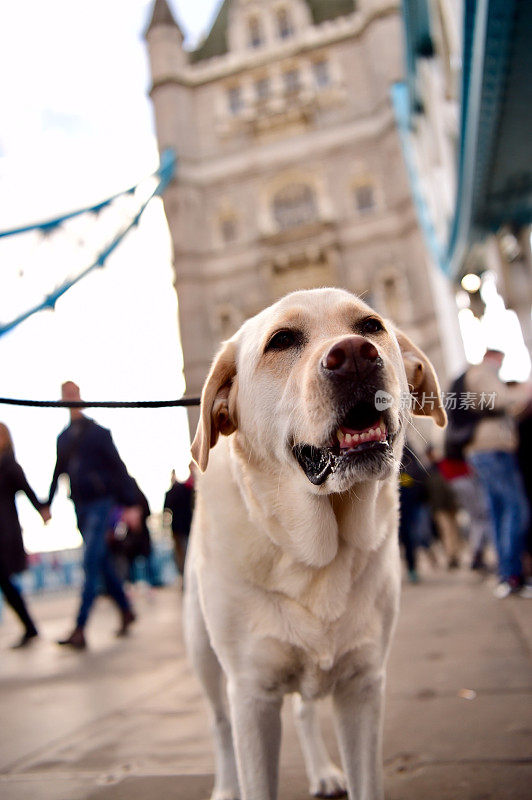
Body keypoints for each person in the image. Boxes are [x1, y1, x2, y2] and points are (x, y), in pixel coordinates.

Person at [47, 381, 142, 648]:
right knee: (101, 564)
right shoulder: (63, 439)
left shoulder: (98, 433)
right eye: (66, 395)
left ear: (80, 396)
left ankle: (79, 628)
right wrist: (46, 505)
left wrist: (132, 503)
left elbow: (118, 467)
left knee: (90, 562)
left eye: (74, 393)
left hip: (102, 504)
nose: (71, 398)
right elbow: (58, 473)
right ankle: (126, 609)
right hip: (81, 506)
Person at [464, 350, 532, 597]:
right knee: (515, 509)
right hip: (493, 450)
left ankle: (508, 574)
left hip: (488, 450)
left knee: (500, 511)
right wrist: (523, 392)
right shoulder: (483, 373)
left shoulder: (479, 373)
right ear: (493, 356)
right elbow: (499, 400)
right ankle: (512, 575)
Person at [0, 422, 50, 648]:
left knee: (6, 582)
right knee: (6, 584)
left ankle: (29, 627)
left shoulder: (9, 465)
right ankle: (29, 626)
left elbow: (27, 489)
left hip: (4, 532)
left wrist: (42, 509)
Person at [164, 464, 194, 579]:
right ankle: (186, 576)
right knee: (184, 553)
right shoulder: (184, 489)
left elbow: (166, 511)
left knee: (182, 553)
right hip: (183, 526)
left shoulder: (173, 492)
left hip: (179, 527)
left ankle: (185, 576)